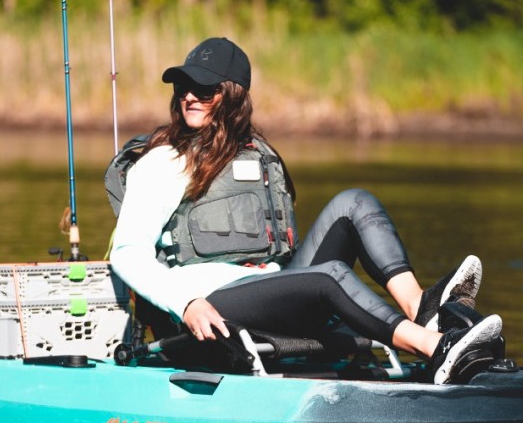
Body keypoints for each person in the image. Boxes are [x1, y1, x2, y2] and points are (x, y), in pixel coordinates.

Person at [109, 37, 502, 384]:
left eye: (204, 89)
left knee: (355, 201)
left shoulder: (254, 154)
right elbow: (127, 253)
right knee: (329, 277)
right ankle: (436, 348)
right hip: (213, 302)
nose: (189, 97)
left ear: (231, 95)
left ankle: (421, 311)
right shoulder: (165, 161)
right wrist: (186, 303)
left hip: (272, 289)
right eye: (183, 87)